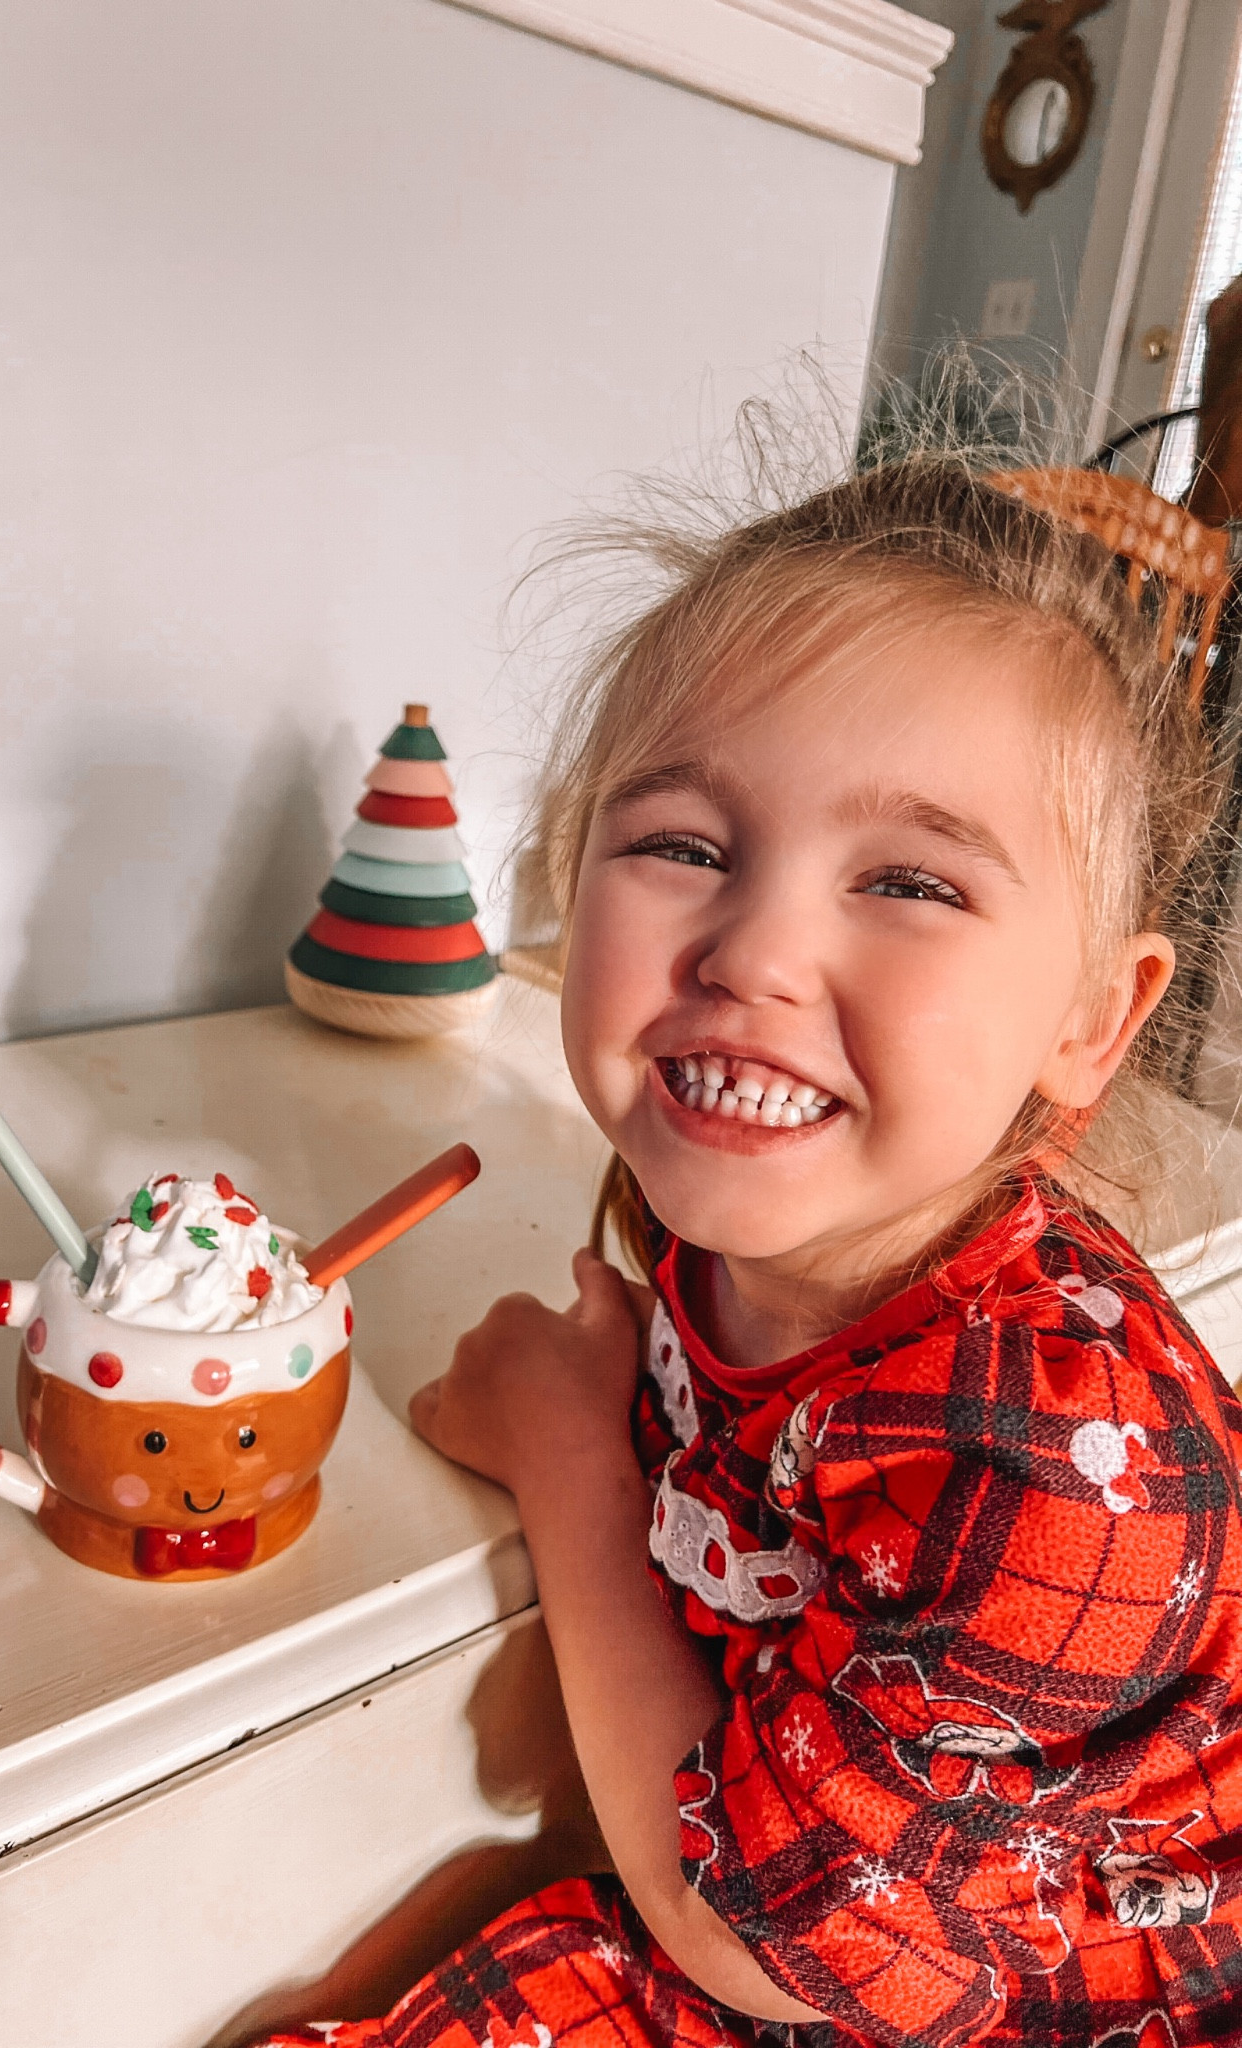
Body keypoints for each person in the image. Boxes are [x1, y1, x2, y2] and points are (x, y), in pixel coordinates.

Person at [265, 459, 1242, 2046]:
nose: (757, 953)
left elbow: (774, 1954)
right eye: (684, 846)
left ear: (1091, 1019)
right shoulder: (744, 1206)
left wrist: (572, 1452)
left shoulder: (1062, 1468)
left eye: (913, 883)